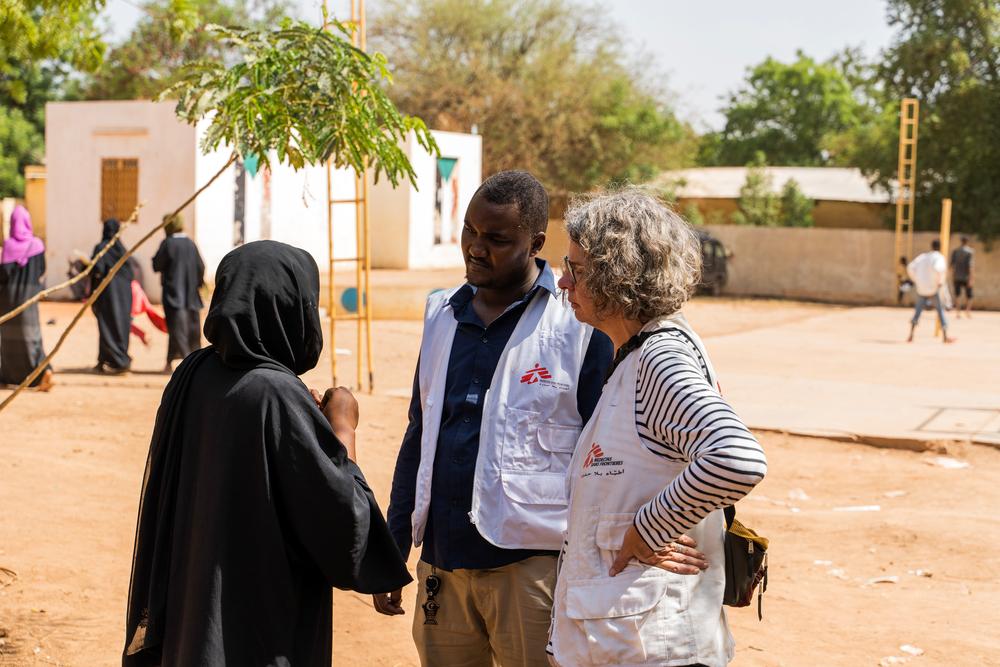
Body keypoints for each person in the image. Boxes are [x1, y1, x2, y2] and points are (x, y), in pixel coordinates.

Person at [123, 240, 410, 666]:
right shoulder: (276, 393)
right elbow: (344, 524)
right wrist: (342, 426)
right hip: (257, 633)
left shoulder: (192, 373)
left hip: (192, 626)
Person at [378, 171, 617, 667]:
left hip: (532, 570)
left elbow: (607, 456)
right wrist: (393, 547)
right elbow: (420, 435)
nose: (476, 248)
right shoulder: (441, 313)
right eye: (470, 231)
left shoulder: (577, 323)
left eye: (496, 239)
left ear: (535, 243)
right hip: (443, 564)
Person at [549, 189, 768, 667]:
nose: (563, 282)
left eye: (578, 270)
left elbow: (736, 456)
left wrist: (648, 530)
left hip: (654, 647)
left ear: (617, 277)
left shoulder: (658, 358)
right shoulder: (634, 355)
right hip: (625, 640)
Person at [0, 205, 53, 390]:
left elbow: (3, 275)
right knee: (32, 336)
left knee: (8, 339)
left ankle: (11, 376)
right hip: (29, 298)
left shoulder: (7, 246)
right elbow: (41, 270)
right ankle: (38, 374)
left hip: (8, 300)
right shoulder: (37, 245)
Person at [152, 214, 205, 372]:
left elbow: (156, 265)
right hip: (191, 297)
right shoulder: (190, 244)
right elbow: (201, 267)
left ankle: (189, 368)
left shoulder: (168, 244)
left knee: (177, 331)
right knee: (189, 331)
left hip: (174, 296)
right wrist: (197, 284)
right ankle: (172, 362)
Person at [91, 219, 133, 373]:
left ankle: (119, 361)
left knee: (107, 326)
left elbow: (97, 269)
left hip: (108, 294)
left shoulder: (101, 248)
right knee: (120, 326)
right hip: (124, 296)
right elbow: (131, 274)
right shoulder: (122, 250)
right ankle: (104, 360)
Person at [906, 239, 956, 343]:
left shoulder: (923, 257)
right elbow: (938, 269)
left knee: (917, 312)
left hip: (921, 289)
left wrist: (917, 280)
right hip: (934, 289)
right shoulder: (939, 257)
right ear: (940, 247)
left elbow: (910, 267)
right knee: (940, 311)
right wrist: (939, 282)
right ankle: (945, 337)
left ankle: (911, 335)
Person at [950, 235, 975, 317]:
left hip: (957, 276)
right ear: (967, 242)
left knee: (957, 294)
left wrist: (953, 276)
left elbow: (952, 265)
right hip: (966, 277)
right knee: (969, 295)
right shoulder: (970, 252)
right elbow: (970, 266)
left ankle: (958, 312)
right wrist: (971, 278)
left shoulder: (955, 251)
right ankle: (967, 311)